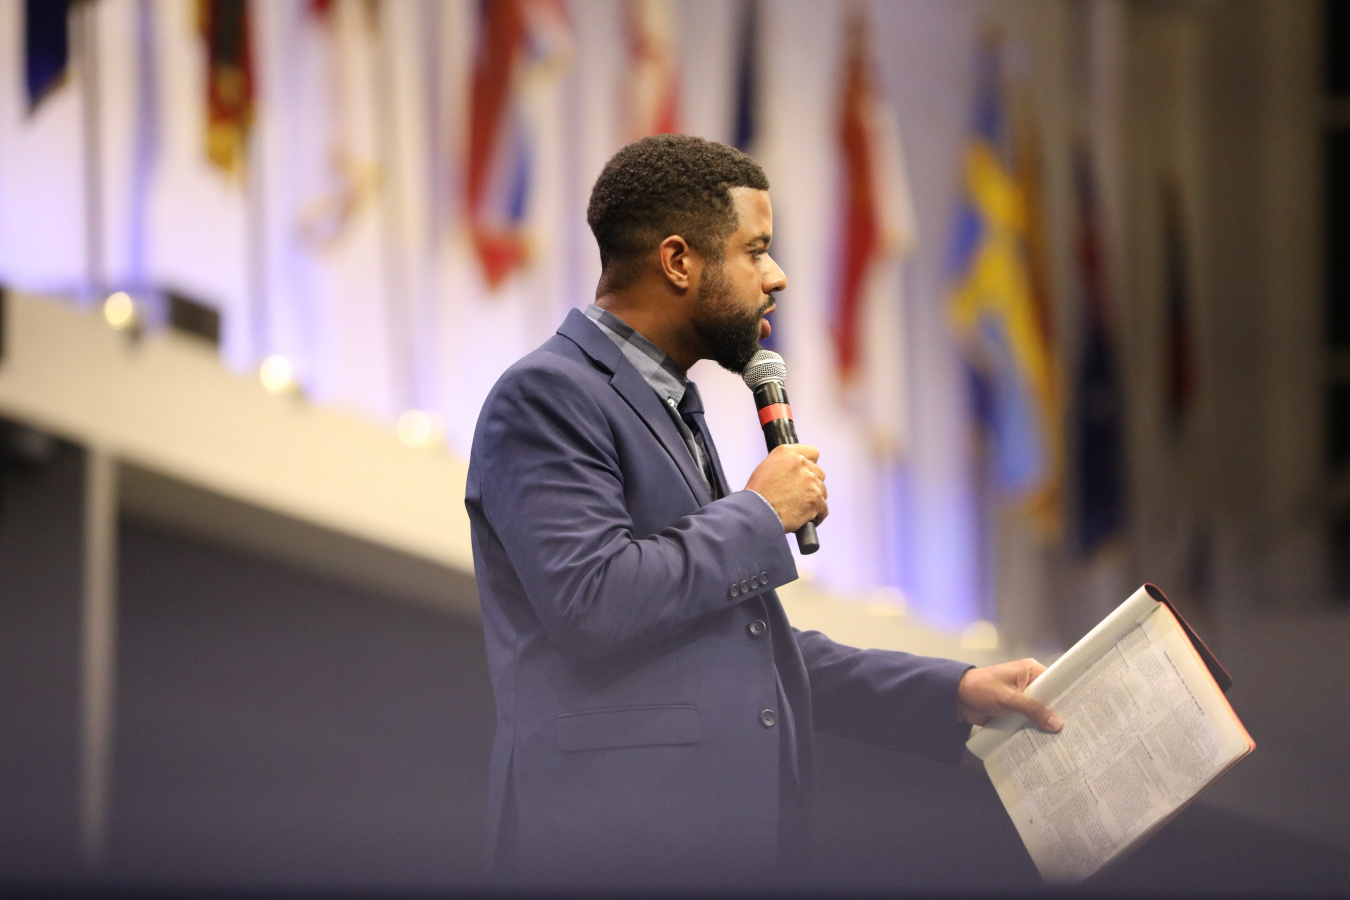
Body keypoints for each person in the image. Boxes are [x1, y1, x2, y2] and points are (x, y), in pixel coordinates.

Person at [464, 134, 1061, 887]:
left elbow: (747, 650)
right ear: (678, 261)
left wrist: (954, 691)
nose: (776, 276)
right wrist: (758, 511)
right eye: (756, 251)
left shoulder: (669, 406)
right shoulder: (549, 393)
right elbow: (591, 599)